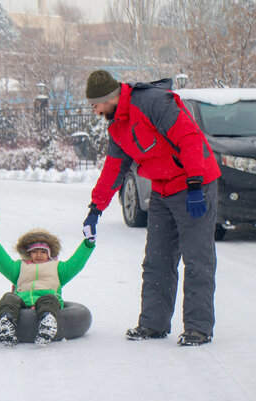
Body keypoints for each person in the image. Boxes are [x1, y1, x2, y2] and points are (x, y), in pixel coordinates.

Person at [82, 70, 221, 346]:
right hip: (162, 187)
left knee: (197, 259)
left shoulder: (152, 103)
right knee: (156, 259)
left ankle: (198, 328)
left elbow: (190, 137)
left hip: (194, 185)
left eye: (95, 104)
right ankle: (153, 324)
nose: (95, 110)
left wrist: (194, 184)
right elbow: (113, 169)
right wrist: (95, 208)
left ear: (108, 98)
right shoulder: (117, 125)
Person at [0, 228, 95, 346]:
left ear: (49, 253)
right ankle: (7, 322)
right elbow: (3, 262)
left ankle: (47, 323)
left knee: (50, 299)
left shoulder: (58, 268)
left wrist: (88, 244)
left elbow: (76, 263)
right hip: (22, 302)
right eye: (34, 251)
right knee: (9, 297)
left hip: (46, 300)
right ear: (28, 253)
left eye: (43, 252)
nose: (39, 255)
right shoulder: (19, 267)